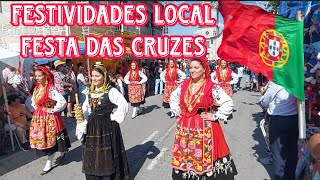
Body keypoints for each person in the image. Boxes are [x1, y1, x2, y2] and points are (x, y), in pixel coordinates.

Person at [170, 58, 237, 180]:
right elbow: (173, 97)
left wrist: (215, 116)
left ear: (204, 69)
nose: (192, 70)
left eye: (196, 68)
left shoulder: (211, 86)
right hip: (185, 126)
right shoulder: (184, 84)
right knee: (186, 154)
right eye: (190, 68)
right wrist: (176, 110)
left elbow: (228, 103)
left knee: (204, 156)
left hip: (204, 126)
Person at [75, 62, 130, 180]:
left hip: (107, 126)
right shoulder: (90, 92)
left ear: (104, 77)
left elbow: (123, 104)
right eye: (93, 76)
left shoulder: (110, 91)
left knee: (107, 152)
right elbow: (86, 109)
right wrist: (83, 121)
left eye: (97, 76)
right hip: (93, 126)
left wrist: (113, 117)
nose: (94, 79)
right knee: (94, 153)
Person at [29, 66, 71, 175]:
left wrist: (52, 110)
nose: (37, 78)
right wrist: (38, 112)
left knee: (51, 139)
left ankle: (49, 162)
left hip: (49, 118)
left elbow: (62, 102)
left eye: (39, 75)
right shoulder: (37, 88)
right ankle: (60, 153)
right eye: (36, 76)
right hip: (39, 117)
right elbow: (33, 101)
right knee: (43, 139)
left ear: (46, 75)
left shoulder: (51, 88)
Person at [259, 81, 298, 180]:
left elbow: (264, 102)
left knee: (278, 153)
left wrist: (263, 93)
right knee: (291, 152)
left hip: (279, 119)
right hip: (294, 117)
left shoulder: (276, 82)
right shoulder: (296, 77)